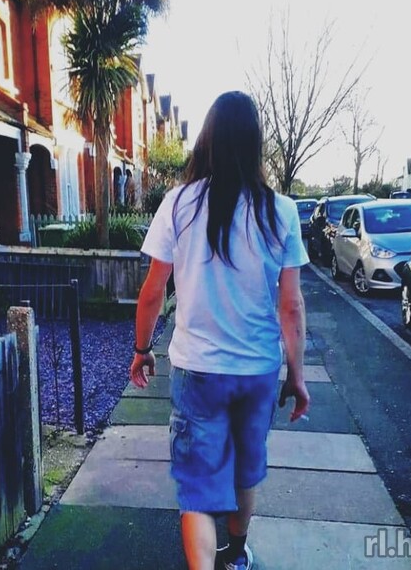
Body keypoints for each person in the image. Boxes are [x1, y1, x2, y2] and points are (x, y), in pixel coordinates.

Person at [130, 91, 310, 570]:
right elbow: (291, 306)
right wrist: (297, 375)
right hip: (257, 370)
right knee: (246, 468)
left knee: (198, 483)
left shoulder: (178, 204)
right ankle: (235, 556)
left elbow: (153, 291)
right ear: (255, 143)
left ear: (207, 139)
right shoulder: (281, 211)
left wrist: (142, 348)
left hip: (199, 370)